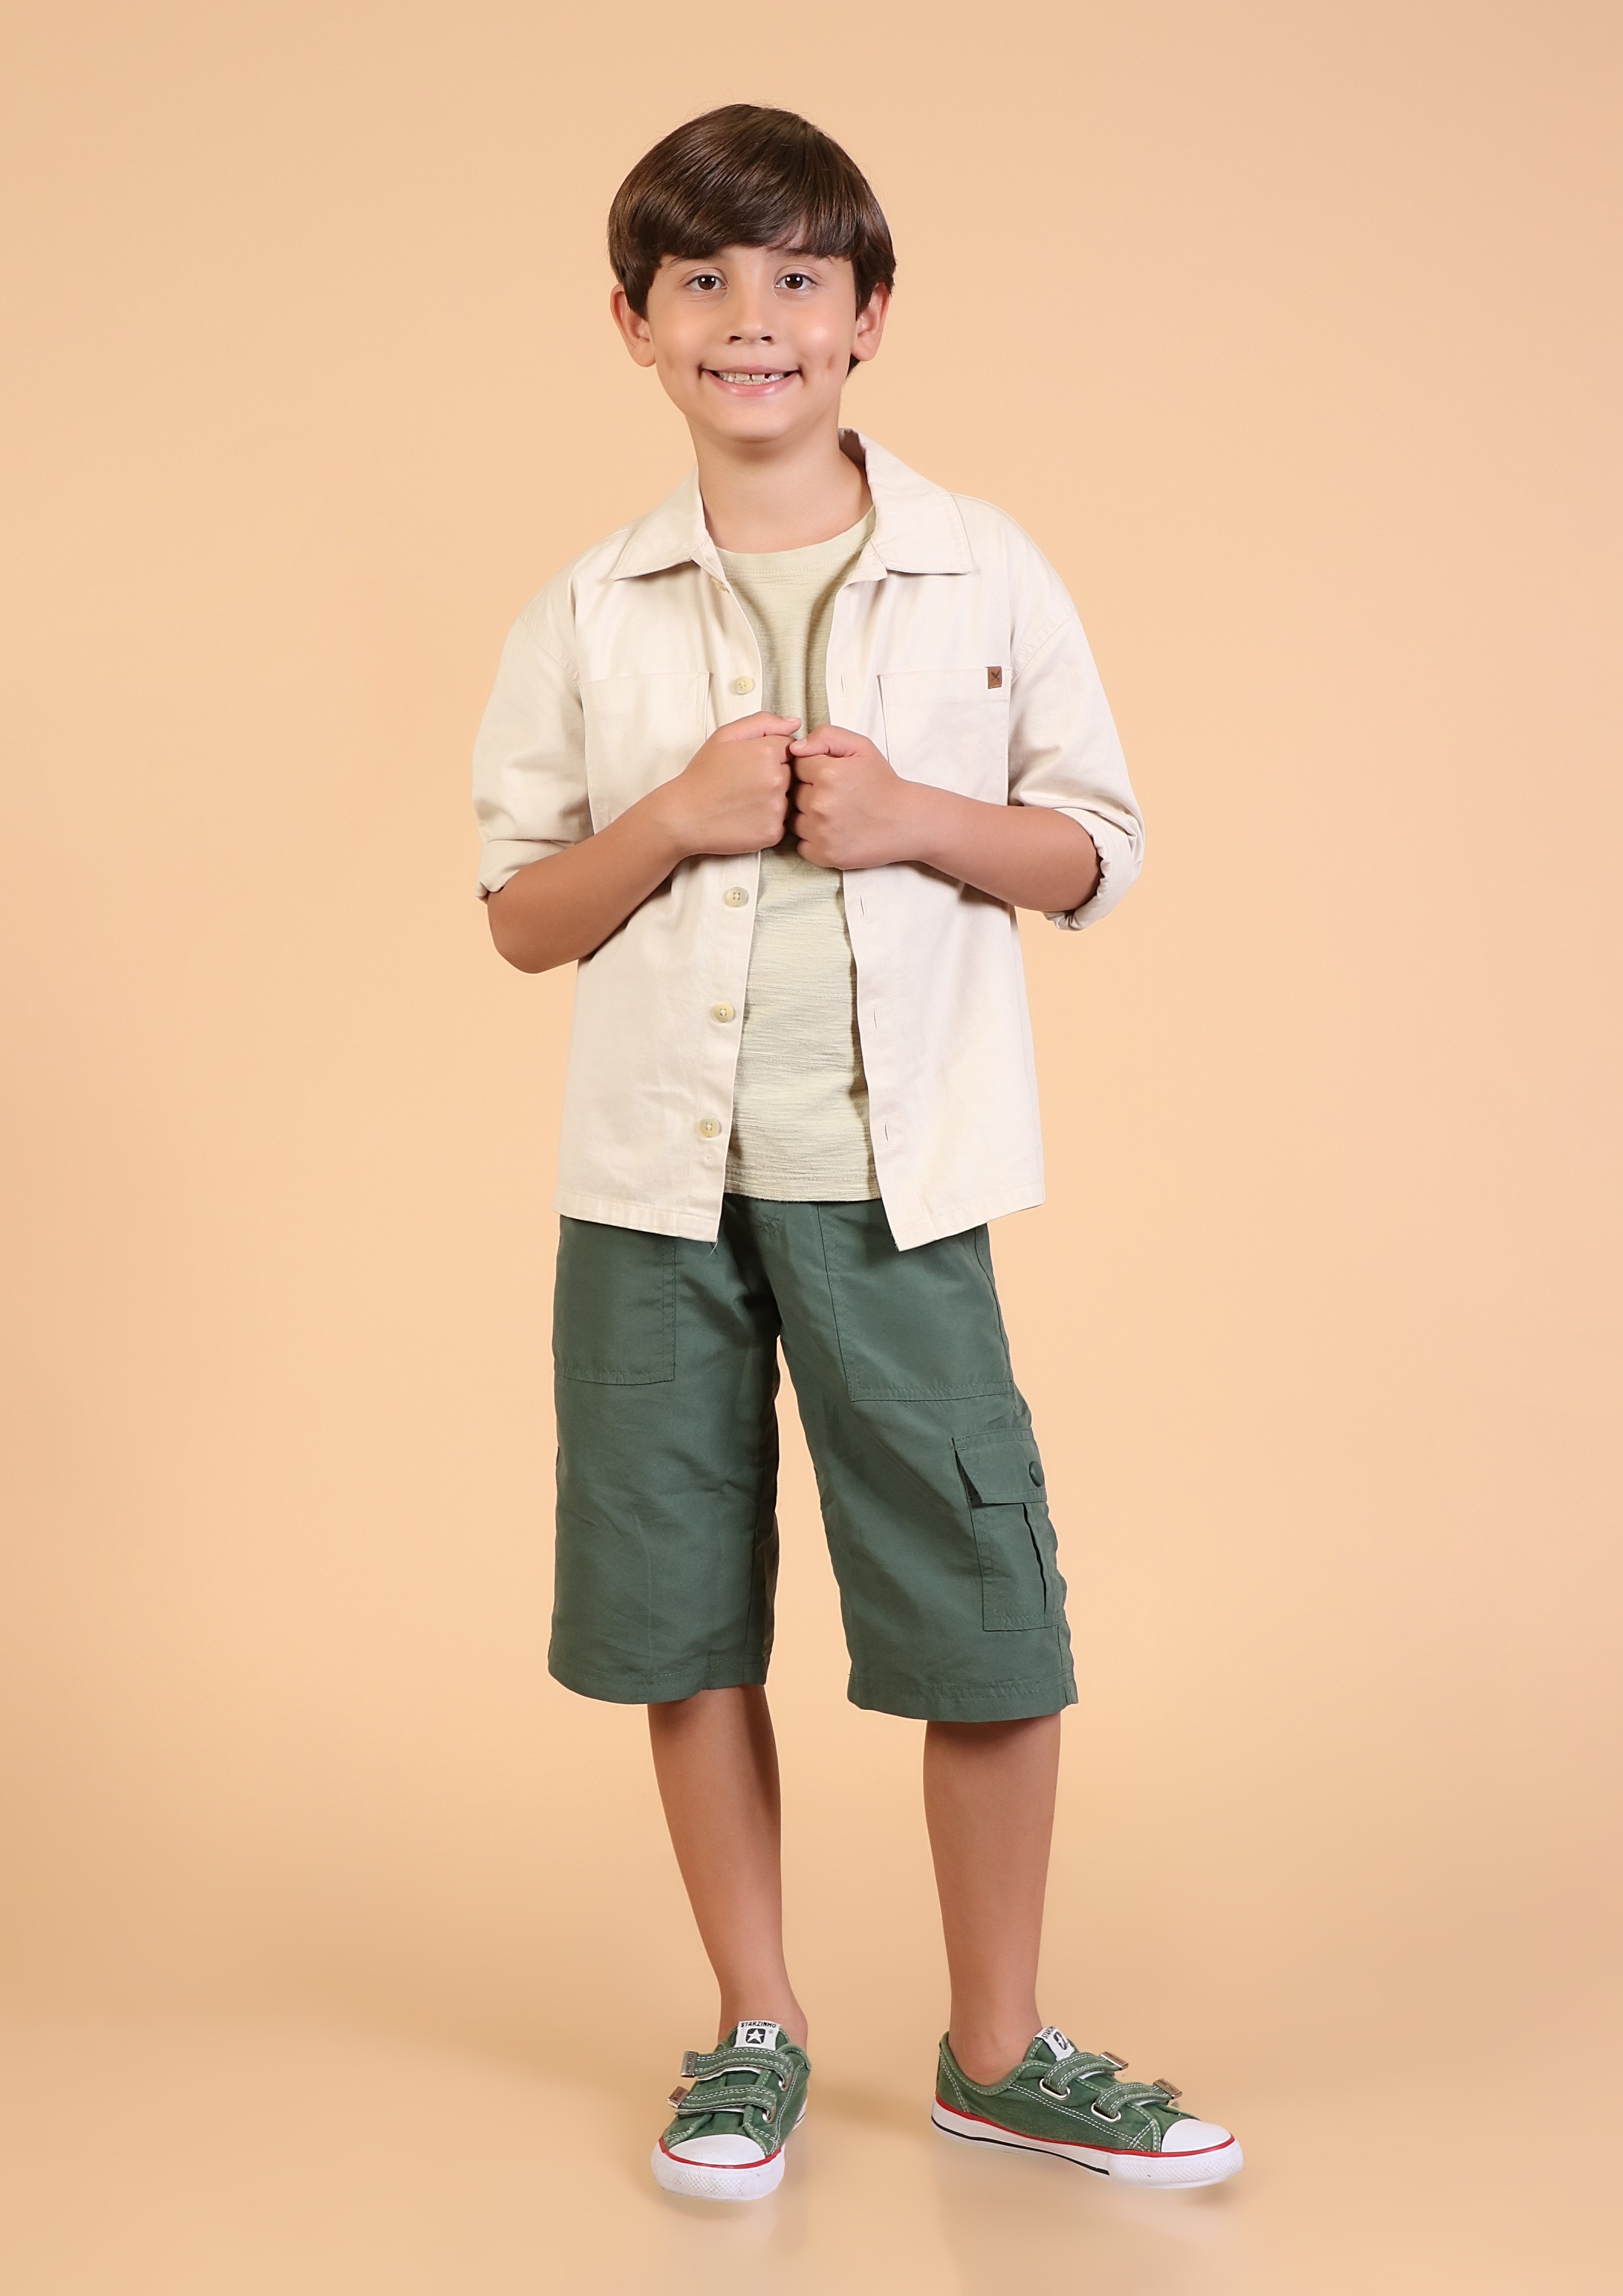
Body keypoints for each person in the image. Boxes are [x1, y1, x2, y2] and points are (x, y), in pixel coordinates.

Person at [472, 102, 1241, 2202]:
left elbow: (1095, 849)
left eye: (799, 278)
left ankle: (997, 2050)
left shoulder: (985, 569)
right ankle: (755, 2027)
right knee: (675, 1611)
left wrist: (910, 821)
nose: (754, 319)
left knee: (978, 1603)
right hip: (650, 1196)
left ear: (869, 314)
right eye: (703, 282)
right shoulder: (588, 609)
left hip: (898, 1188)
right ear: (632, 324)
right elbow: (521, 914)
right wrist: (673, 821)